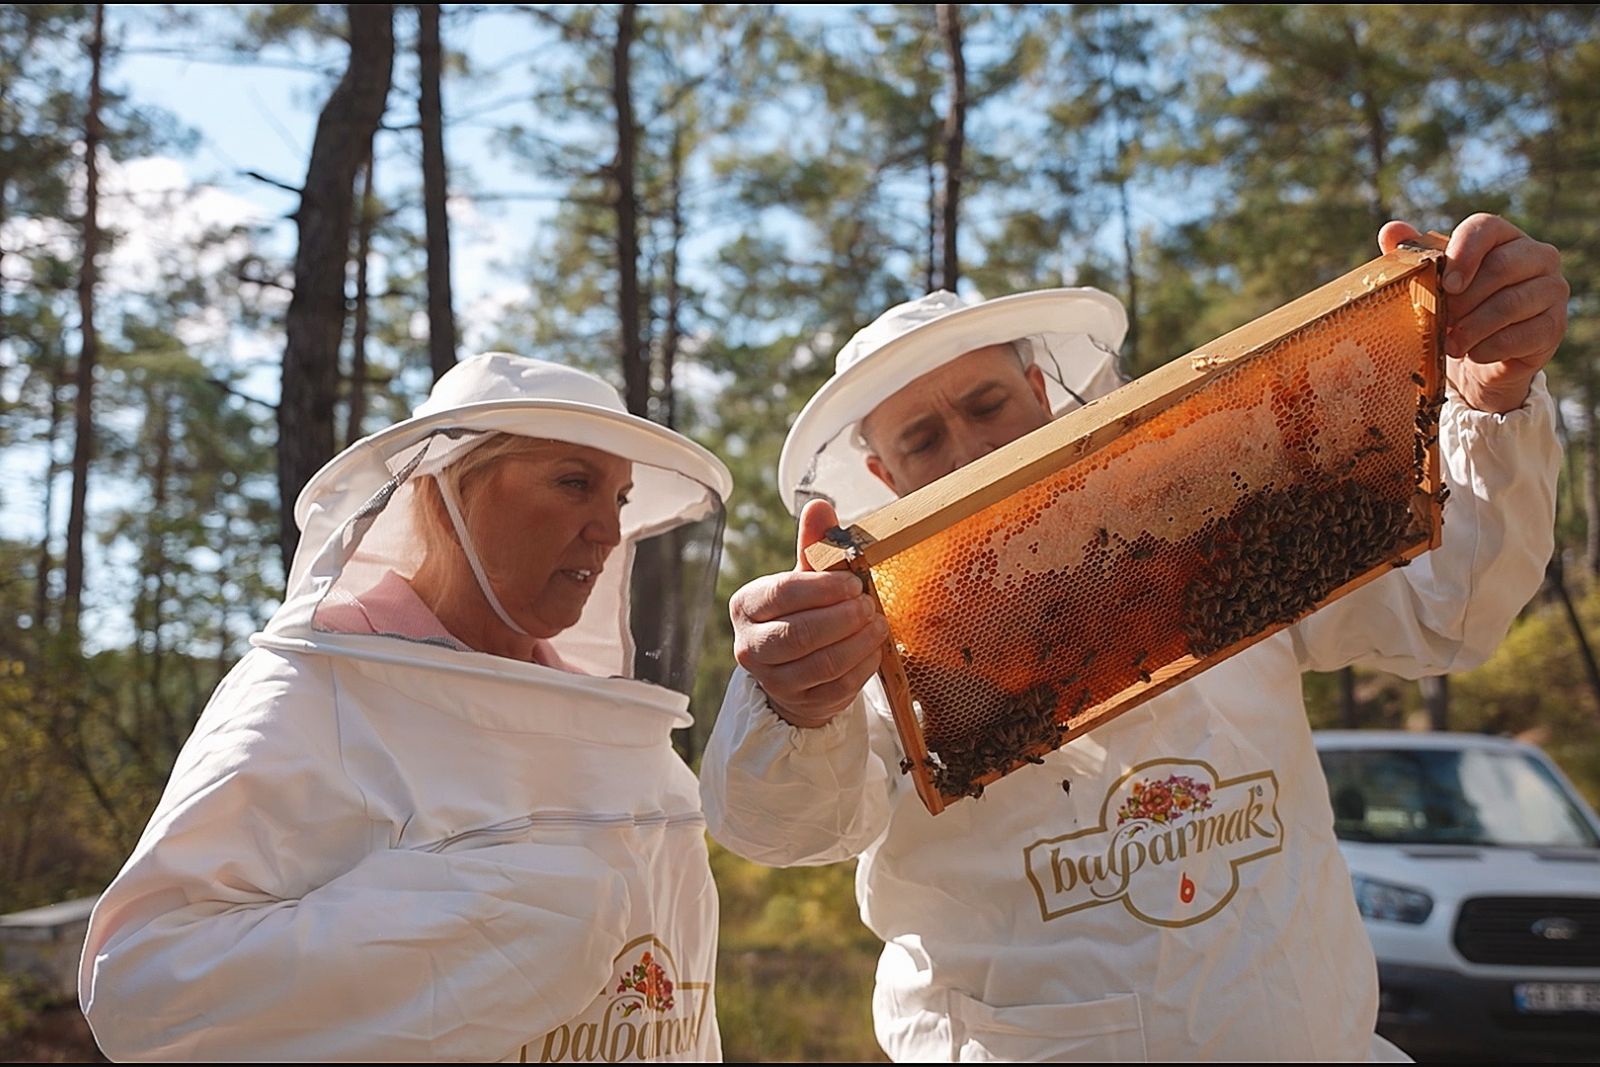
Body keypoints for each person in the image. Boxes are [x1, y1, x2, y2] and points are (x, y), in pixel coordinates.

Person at [700, 214, 1566, 1061]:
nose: (968, 449)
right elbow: (781, 825)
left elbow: (1448, 610)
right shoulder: (869, 640)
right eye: (924, 439)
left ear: (1039, 392)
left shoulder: (1216, 527)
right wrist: (797, 699)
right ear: (883, 474)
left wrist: (1487, 400)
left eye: (987, 402)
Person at [79, 353, 732, 1062]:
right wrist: (477, 926)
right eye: (575, 483)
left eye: (620, 499)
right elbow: (143, 980)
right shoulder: (317, 689)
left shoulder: (613, 726)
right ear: (450, 493)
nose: (608, 530)